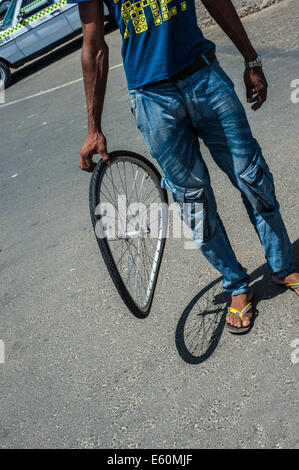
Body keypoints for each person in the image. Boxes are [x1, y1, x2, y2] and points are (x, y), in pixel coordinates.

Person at [71, 0, 299, 333]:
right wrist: (94, 127)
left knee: (253, 177)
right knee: (194, 202)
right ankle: (236, 284)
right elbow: (94, 46)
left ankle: (282, 265)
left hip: (204, 77)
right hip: (153, 101)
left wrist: (251, 58)